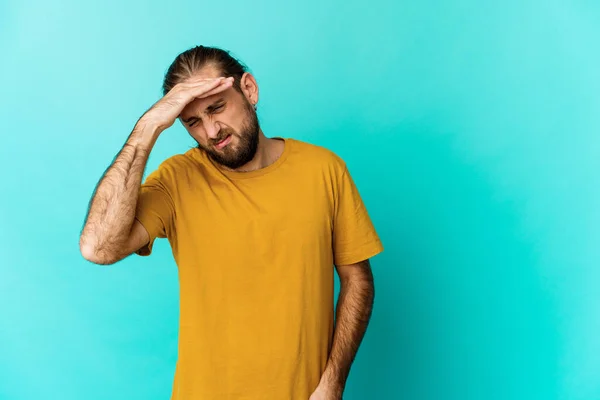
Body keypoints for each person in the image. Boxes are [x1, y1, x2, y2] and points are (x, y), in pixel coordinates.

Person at [79, 45, 384, 400]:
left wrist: (333, 382)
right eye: (192, 121)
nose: (211, 131)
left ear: (249, 90)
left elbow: (356, 279)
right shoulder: (178, 181)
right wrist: (147, 128)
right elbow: (97, 248)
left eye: (217, 107)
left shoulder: (324, 170)